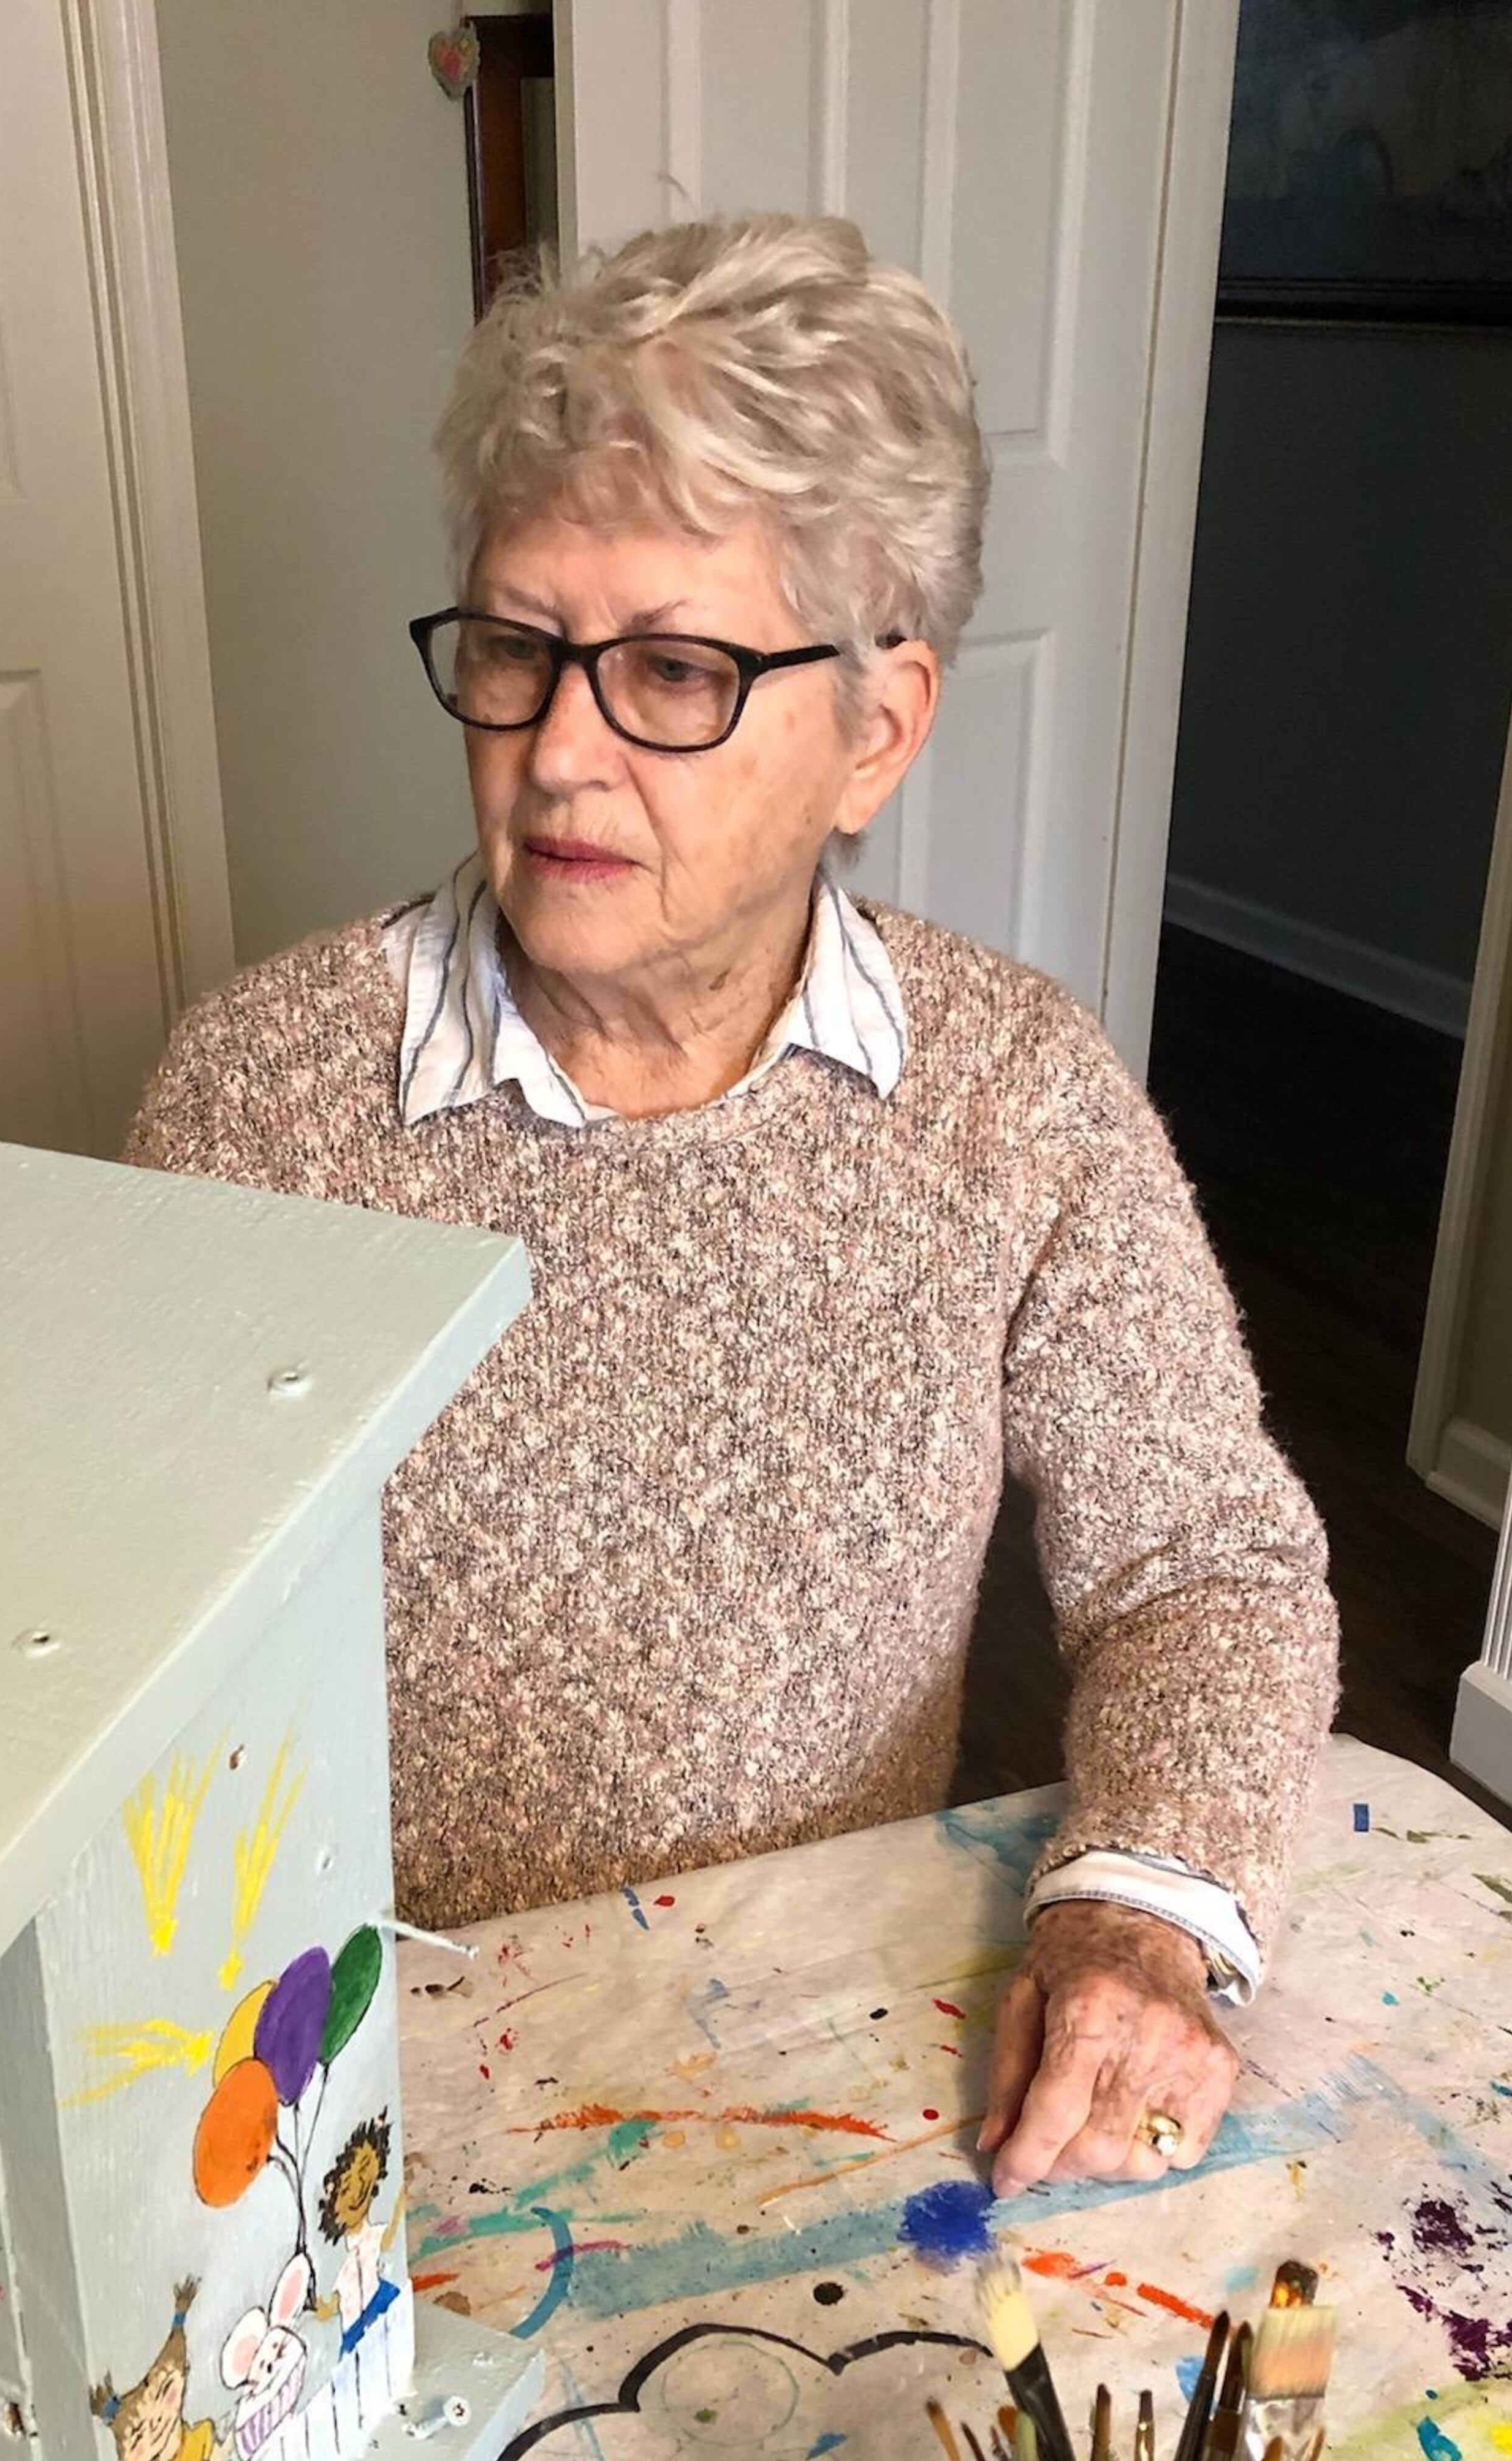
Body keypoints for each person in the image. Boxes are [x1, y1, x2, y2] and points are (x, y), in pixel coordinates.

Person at [126, 216, 1336, 2196]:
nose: (558, 754)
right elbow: (121, 1679)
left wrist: (1136, 1914)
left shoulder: (1011, 1097)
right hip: (367, 2078)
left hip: (841, 2050)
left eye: (675, 671)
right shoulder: (267, 1098)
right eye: (516, 650)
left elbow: (1202, 1566)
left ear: (879, 730)